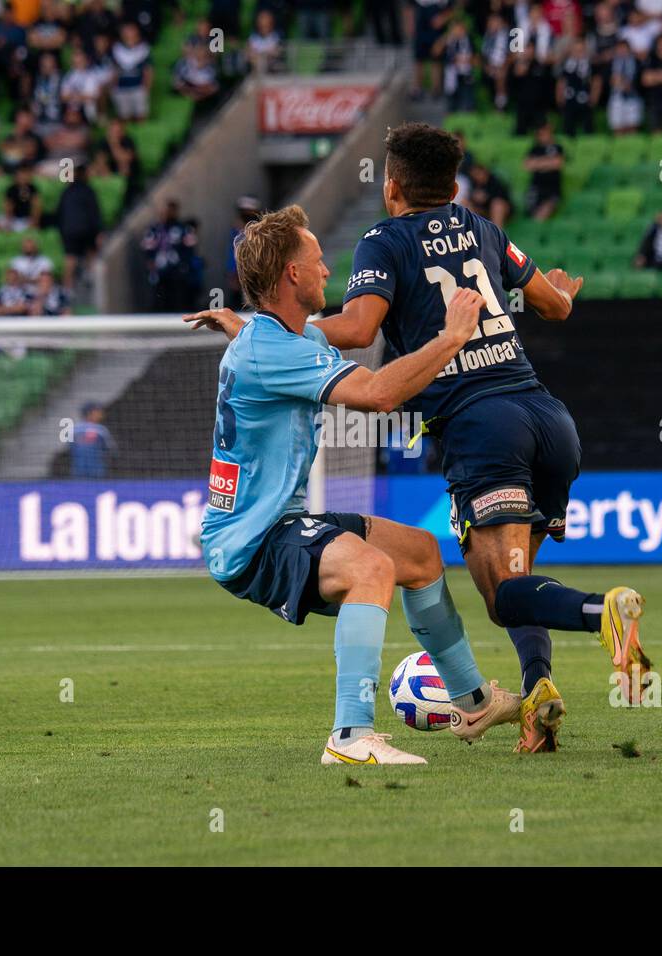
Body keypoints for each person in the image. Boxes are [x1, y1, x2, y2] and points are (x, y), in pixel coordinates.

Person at [306, 124, 654, 752]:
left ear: (391, 184)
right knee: (521, 580)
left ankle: (603, 611)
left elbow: (358, 331)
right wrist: (566, 288)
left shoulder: (382, 241)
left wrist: (285, 329)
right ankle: (538, 695)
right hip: (550, 420)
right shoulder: (482, 227)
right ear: (455, 184)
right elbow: (555, 306)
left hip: (482, 429)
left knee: (502, 598)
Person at [183, 203, 519, 765]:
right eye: (316, 261)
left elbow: (279, 343)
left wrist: (233, 323)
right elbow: (380, 395)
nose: (326, 270)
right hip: (252, 540)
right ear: (291, 274)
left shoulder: (279, 337)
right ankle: (349, 737)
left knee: (419, 553)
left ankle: (474, 702)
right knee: (372, 568)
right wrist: (451, 337)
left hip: (279, 522)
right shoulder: (272, 348)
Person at [523, 122, 563, 221]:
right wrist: (547, 162)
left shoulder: (557, 147)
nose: (542, 136)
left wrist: (538, 163)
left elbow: (557, 163)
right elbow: (527, 165)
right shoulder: (534, 149)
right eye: (540, 134)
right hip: (536, 188)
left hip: (552, 189)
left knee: (542, 213)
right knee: (529, 210)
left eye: (545, 133)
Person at [71, 401, 114, 477]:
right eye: (97, 411)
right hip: (97, 472)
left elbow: (70, 449)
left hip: (78, 471)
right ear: (89, 413)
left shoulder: (74, 429)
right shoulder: (101, 430)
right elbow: (111, 450)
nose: (101, 414)